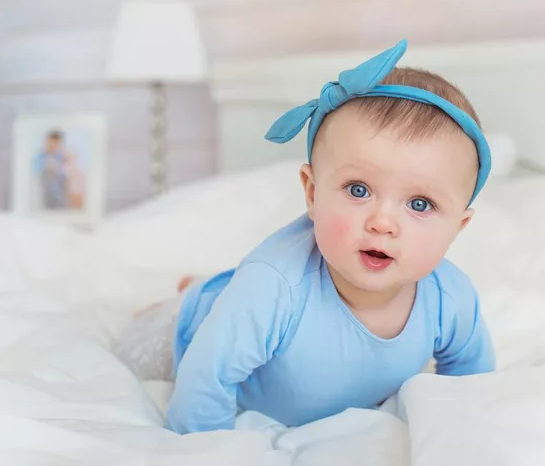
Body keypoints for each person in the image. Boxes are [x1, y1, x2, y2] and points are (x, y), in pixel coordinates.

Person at [120, 40, 496, 434]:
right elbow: (203, 380)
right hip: (193, 335)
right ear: (313, 193)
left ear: (458, 227)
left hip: (247, 310)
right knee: (140, 343)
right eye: (358, 190)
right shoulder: (274, 286)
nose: (383, 223)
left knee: (240, 302)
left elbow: (472, 387)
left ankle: (205, 285)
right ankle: (188, 298)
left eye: (420, 204)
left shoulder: (451, 299)